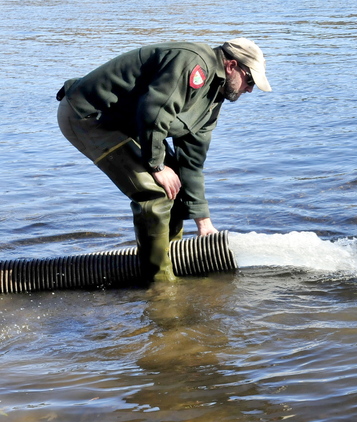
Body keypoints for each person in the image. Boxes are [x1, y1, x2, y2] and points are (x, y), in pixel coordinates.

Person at [56, 38, 272, 283]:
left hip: (128, 124)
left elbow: (192, 162)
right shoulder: (193, 63)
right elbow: (154, 111)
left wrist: (204, 222)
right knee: (156, 191)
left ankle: (169, 260)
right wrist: (156, 166)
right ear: (232, 66)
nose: (250, 89)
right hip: (88, 116)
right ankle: (160, 284)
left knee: (176, 186)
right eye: (250, 80)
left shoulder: (213, 98)